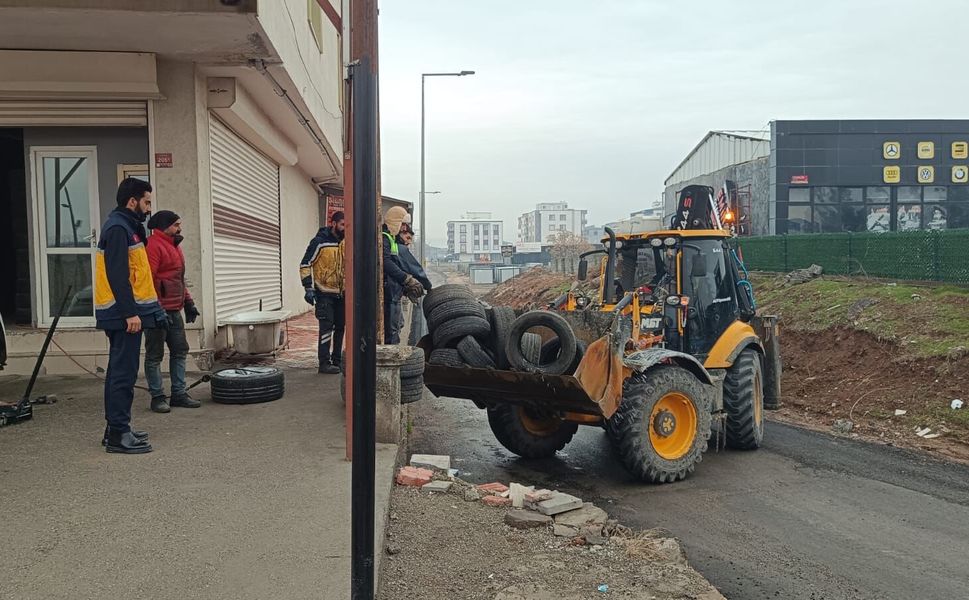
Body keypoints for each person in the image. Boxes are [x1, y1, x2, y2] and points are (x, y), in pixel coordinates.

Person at [95, 178, 168, 454]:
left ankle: (116, 428)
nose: (149, 208)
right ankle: (118, 436)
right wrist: (130, 313)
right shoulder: (117, 228)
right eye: (146, 202)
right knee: (122, 375)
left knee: (118, 373)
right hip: (122, 314)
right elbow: (118, 275)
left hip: (125, 313)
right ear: (132, 201)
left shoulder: (128, 227)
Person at [144, 210, 201, 413]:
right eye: (176, 224)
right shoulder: (153, 246)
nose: (180, 228)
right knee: (154, 356)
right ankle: (157, 397)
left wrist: (188, 302)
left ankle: (179, 393)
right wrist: (156, 308)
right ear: (164, 226)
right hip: (157, 312)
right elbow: (147, 280)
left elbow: (177, 279)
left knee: (180, 351)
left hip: (174, 310)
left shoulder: (174, 246)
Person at [300, 211, 346, 374]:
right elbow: (305, 264)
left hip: (342, 293)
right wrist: (308, 287)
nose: (344, 228)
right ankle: (324, 362)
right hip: (324, 293)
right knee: (326, 328)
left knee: (340, 327)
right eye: (342, 224)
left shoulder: (346, 242)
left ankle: (337, 360)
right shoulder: (320, 242)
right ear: (333, 223)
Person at [382, 207, 424, 344]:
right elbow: (387, 263)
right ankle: (391, 362)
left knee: (397, 325)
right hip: (389, 293)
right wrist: (406, 279)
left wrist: (405, 288)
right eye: (403, 224)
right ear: (396, 222)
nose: (405, 228)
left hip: (394, 292)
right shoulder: (385, 239)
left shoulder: (392, 240)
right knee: (392, 331)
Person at [396, 224, 433, 336]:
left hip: (393, 293)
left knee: (398, 324)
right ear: (401, 232)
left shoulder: (389, 245)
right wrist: (428, 287)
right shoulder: (400, 248)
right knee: (396, 327)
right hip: (392, 296)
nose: (408, 242)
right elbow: (415, 269)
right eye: (407, 238)